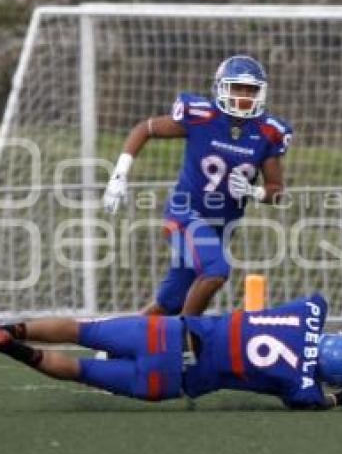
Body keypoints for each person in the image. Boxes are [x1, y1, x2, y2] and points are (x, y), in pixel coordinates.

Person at [102, 55, 292, 316]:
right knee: (216, 272)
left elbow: (277, 190)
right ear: (221, 87)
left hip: (221, 226)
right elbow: (145, 129)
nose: (244, 95)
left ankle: (113, 345)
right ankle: (186, 339)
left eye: (252, 89)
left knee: (169, 305)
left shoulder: (269, 132)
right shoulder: (202, 116)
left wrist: (254, 191)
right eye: (237, 87)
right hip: (185, 214)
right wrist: (119, 174)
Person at [0, 294, 342, 410]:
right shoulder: (303, 388)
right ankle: (7, 348)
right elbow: (318, 400)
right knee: (79, 371)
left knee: (80, 329)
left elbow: (317, 303)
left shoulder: (309, 313)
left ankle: (1, 329)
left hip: (167, 333)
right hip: (171, 379)